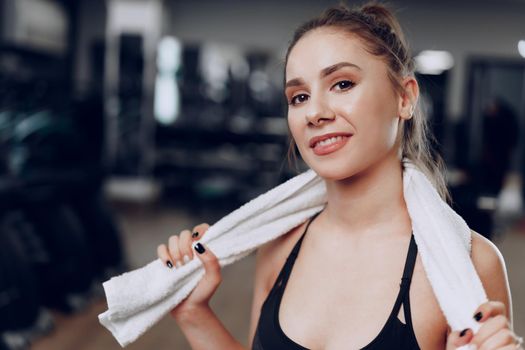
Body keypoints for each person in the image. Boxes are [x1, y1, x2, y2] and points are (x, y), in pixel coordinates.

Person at [156, 2, 520, 349]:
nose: (314, 112)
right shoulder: (280, 245)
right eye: (298, 97)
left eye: (342, 84)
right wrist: (192, 313)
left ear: (405, 98)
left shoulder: (470, 264)